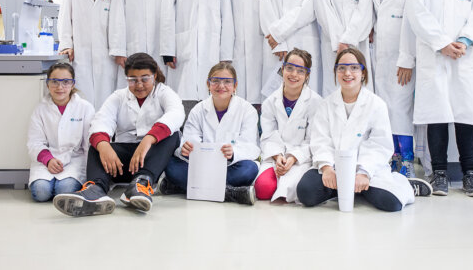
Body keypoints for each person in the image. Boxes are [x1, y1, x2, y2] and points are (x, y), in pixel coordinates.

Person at [405, 0, 473, 197]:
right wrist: (442, 43)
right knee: (436, 115)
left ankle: (470, 174)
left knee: (466, 116)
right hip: (435, 55)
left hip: (463, 56)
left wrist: (464, 40)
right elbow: (418, 17)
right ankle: (439, 173)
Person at [296, 48, 431, 212]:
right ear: (336, 72)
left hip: (367, 169)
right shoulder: (326, 105)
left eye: (354, 68)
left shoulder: (376, 105)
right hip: (334, 167)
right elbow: (320, 141)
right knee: (306, 193)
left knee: (392, 203)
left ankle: (402, 184)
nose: (347, 73)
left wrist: (363, 173)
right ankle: (349, 190)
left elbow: (380, 145)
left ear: (363, 73)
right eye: (342, 68)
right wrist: (326, 168)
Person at [53, 53, 184, 217]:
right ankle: (95, 189)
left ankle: (141, 184)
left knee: (172, 135)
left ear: (154, 76)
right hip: (122, 164)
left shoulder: (164, 93)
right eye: (133, 80)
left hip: (152, 161)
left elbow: (176, 114)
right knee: (98, 143)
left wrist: (148, 139)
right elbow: (101, 122)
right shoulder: (118, 96)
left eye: (145, 79)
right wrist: (104, 146)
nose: (139, 85)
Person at [159, 62, 260, 205]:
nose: (221, 86)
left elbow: (250, 146)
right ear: (208, 84)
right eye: (215, 81)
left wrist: (233, 152)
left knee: (248, 170)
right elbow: (189, 138)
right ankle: (230, 192)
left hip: (230, 166)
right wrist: (186, 149)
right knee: (171, 166)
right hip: (201, 166)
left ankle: (184, 187)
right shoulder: (198, 110)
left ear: (235, 85)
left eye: (227, 81)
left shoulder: (247, 110)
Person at [370, 0, 417, 179]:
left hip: (401, 60)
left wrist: (407, 59)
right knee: (385, 111)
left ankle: (407, 161)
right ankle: (393, 158)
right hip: (379, 58)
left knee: (400, 110)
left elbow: (412, 24)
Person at [255, 49, 322, 202]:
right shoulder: (270, 101)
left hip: (300, 159)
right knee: (263, 190)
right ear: (282, 69)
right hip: (276, 157)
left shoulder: (316, 102)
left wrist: (292, 158)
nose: (293, 74)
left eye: (300, 71)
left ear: (307, 75)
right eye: (289, 68)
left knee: (290, 190)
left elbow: (313, 140)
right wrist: (278, 156)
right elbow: (268, 136)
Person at [58, 0, 117, 109]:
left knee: (106, 101)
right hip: (81, 52)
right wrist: (66, 44)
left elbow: (118, 21)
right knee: (83, 100)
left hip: (106, 53)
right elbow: (65, 18)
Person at [27, 62, 95, 202]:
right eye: (54, 82)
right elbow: (35, 142)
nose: (60, 87)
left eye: (65, 82)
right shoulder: (40, 109)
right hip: (47, 160)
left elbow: (88, 144)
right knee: (41, 192)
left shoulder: (85, 107)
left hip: (74, 160)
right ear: (47, 84)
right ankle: (50, 186)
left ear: (73, 84)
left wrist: (92, 175)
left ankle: (61, 187)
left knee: (64, 190)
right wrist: (48, 160)